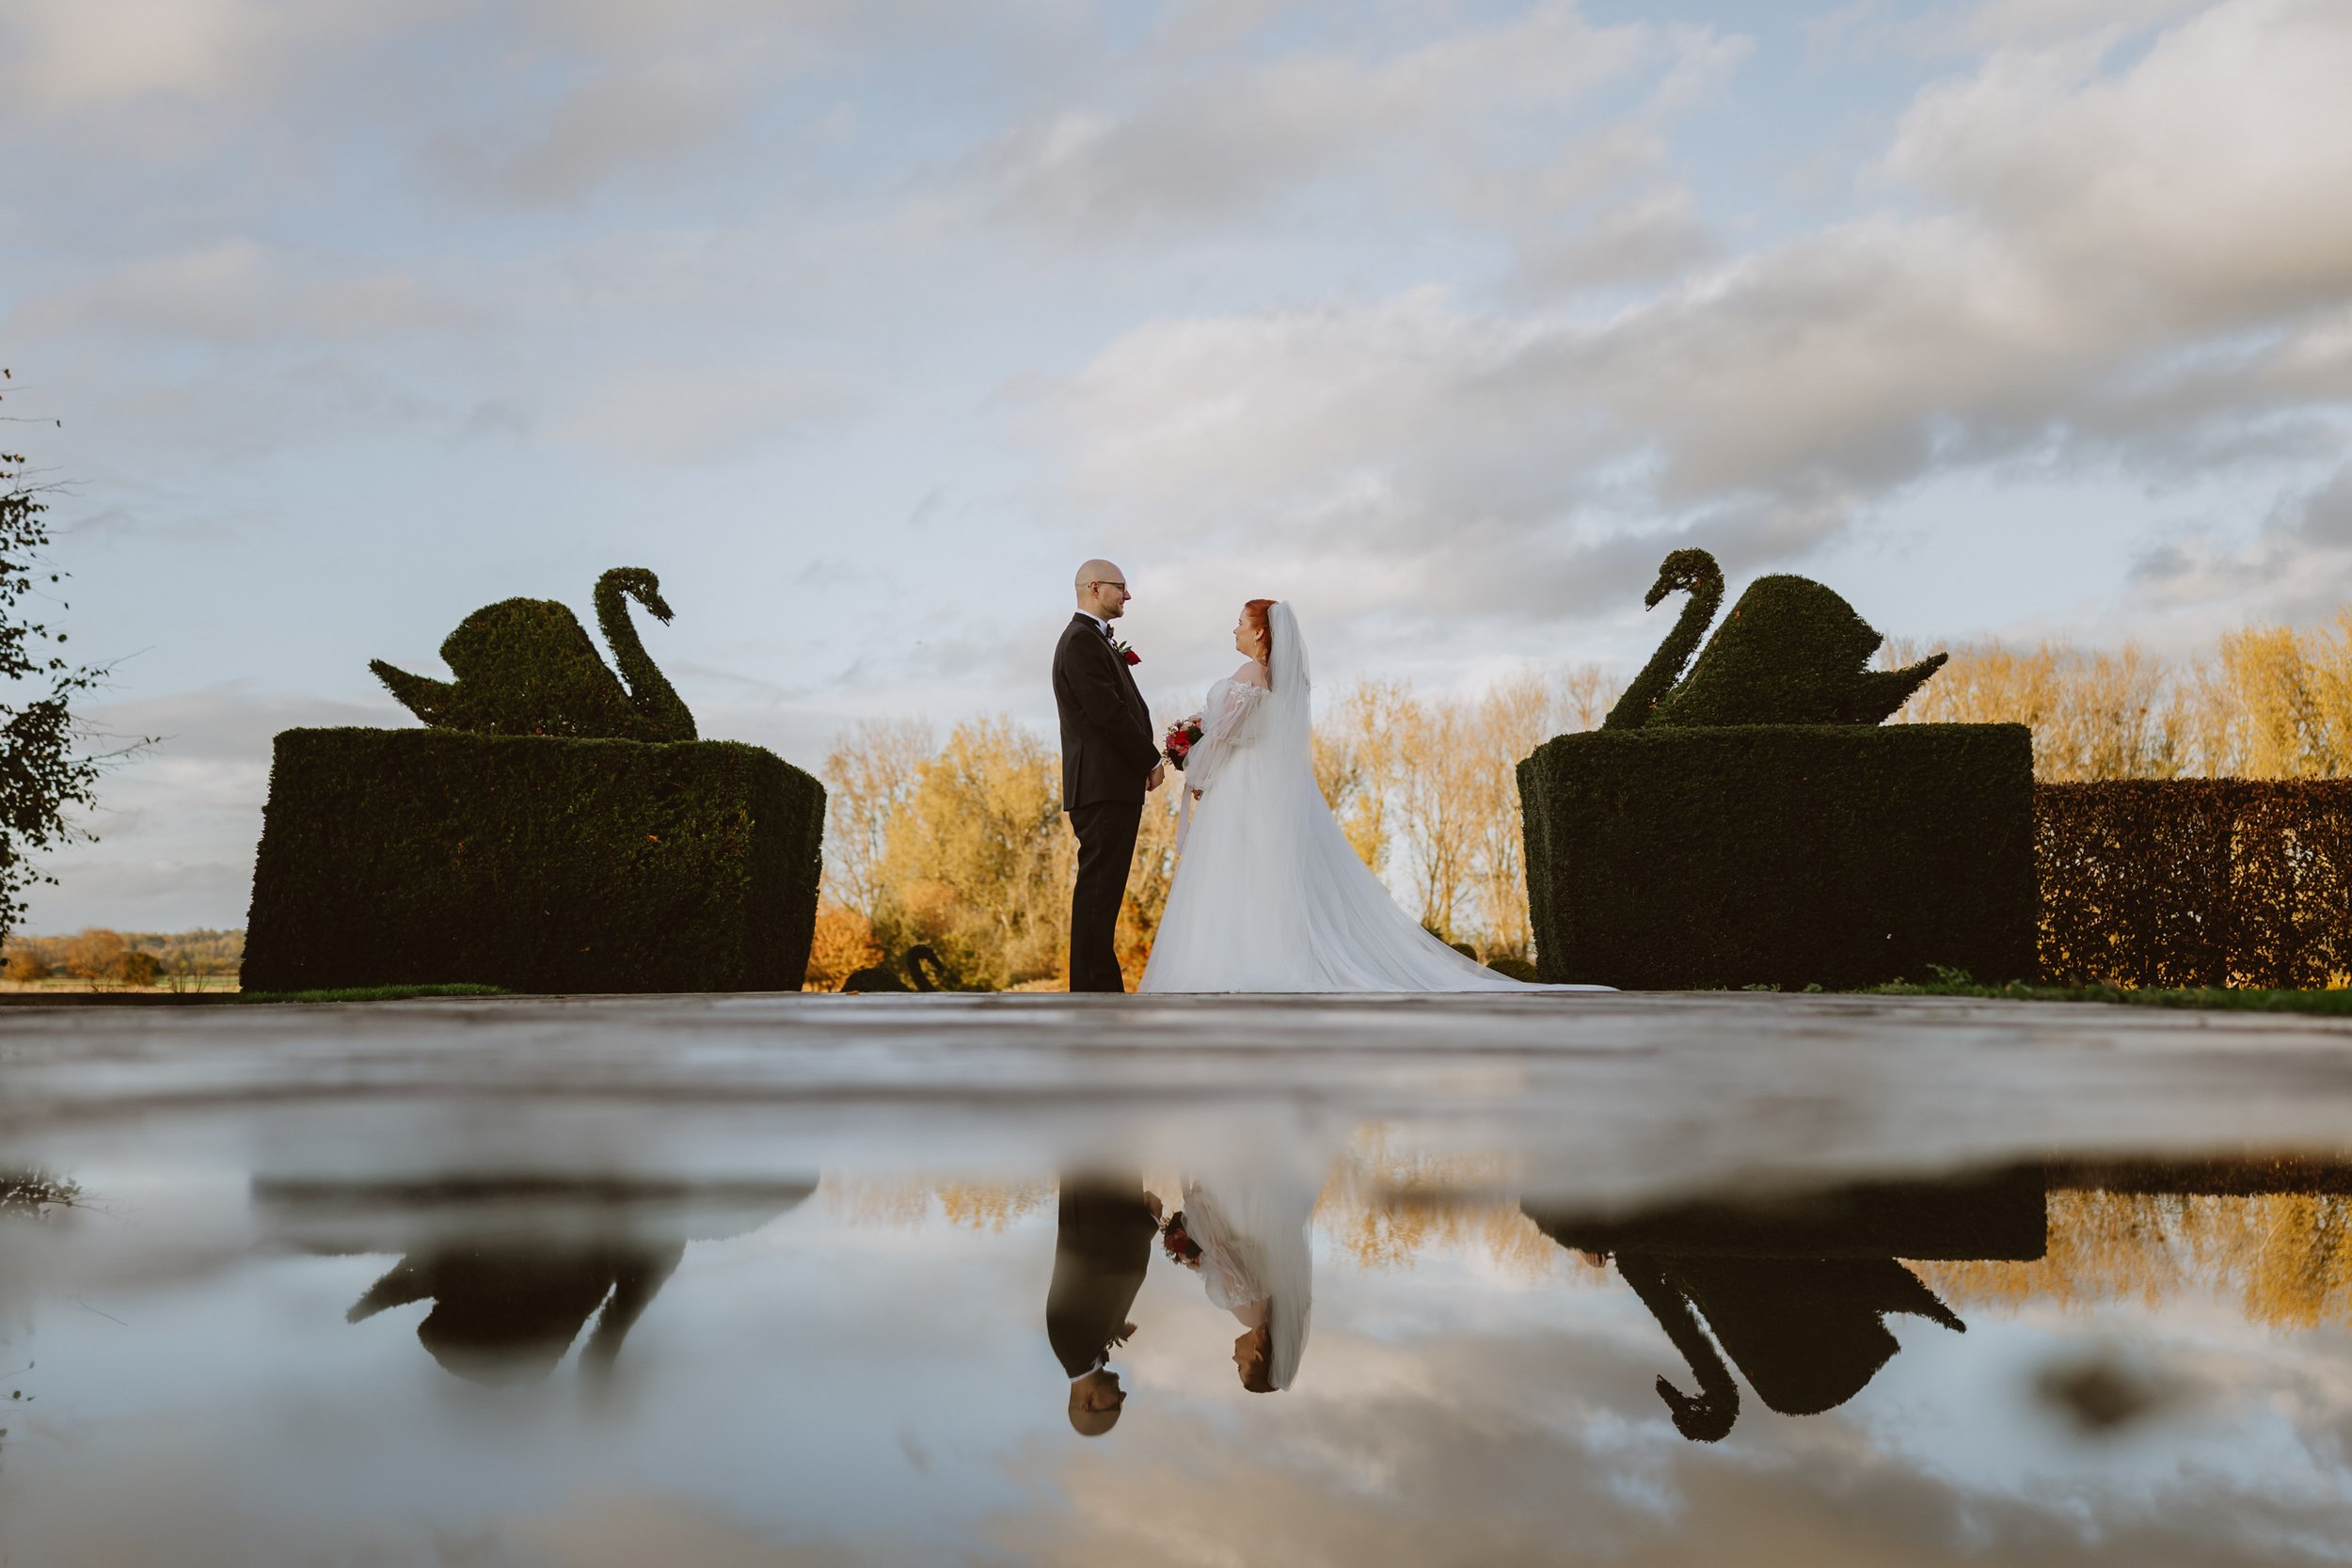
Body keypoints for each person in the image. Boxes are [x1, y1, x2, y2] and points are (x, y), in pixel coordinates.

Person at [1140, 598, 1613, 992]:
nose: (1236, 629)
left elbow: (1223, 736)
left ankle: (1231, 960)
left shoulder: (1248, 672)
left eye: (1241, 623)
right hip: (1262, 782)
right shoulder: (1277, 681)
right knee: (1262, 869)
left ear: (1261, 634)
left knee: (1236, 869)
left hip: (1242, 785)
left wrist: (1195, 766)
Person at [1052, 559, 1166, 992]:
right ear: (1095, 588)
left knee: (1103, 892)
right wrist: (1148, 760)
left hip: (1108, 786)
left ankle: (1094, 986)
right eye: (1122, 587)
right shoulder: (1080, 641)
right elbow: (1107, 713)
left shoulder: (1093, 640)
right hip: (1102, 786)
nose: (1128, 595)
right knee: (1099, 891)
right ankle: (1095, 990)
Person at [1046, 1175, 1163, 1436]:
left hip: (1100, 1193)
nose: (1122, 1396)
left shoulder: (1074, 1344)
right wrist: (1115, 1325)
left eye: (1115, 1405)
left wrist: (1150, 1223)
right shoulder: (1079, 1350)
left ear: (1088, 1404)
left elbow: (1103, 1263)